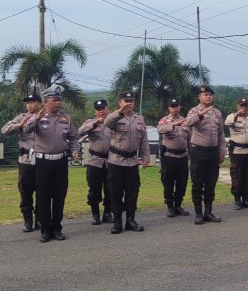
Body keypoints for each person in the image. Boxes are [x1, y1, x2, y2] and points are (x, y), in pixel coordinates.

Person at [20, 85, 79, 243]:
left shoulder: (66, 118)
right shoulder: (37, 116)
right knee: (43, 196)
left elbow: (73, 137)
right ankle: (45, 229)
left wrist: (74, 150)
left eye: (59, 100)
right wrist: (37, 118)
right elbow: (26, 130)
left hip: (61, 162)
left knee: (59, 195)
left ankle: (57, 228)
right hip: (43, 162)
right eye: (54, 100)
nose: (58, 103)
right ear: (46, 102)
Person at [104, 91, 150, 233]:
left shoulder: (139, 118)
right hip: (116, 161)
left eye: (131, 101)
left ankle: (130, 220)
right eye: (126, 101)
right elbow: (106, 122)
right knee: (116, 192)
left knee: (132, 192)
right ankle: (117, 221)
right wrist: (120, 111)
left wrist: (145, 157)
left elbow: (144, 139)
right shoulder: (115, 117)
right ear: (120, 102)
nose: (129, 103)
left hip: (132, 162)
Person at [0, 92, 43, 232]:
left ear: (40, 104)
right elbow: (4, 130)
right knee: (25, 191)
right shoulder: (22, 117)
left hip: (43, 160)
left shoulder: (46, 117)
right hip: (26, 160)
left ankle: (40, 219)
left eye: (33, 102)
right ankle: (27, 220)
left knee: (42, 191)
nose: (29, 105)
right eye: (27, 103)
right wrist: (20, 125)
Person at [185, 85, 226, 224]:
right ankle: (198, 213)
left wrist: (222, 152)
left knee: (211, 182)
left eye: (210, 95)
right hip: (198, 152)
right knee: (197, 182)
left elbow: (221, 134)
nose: (208, 97)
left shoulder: (217, 113)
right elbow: (187, 123)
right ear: (199, 97)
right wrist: (200, 114)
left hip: (213, 152)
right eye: (205, 95)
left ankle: (208, 212)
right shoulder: (194, 111)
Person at [77, 99, 113, 225]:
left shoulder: (113, 123)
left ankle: (107, 213)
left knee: (110, 188)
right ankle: (95, 214)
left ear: (108, 109)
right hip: (95, 161)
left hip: (110, 160)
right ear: (95, 111)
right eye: (98, 109)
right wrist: (94, 124)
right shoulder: (90, 122)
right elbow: (80, 132)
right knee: (94, 189)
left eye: (103, 108)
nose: (101, 111)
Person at [224, 97, 248, 210]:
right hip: (237, 152)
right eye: (241, 105)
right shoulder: (232, 116)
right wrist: (237, 115)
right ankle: (237, 200)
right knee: (237, 176)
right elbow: (227, 123)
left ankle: (246, 199)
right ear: (237, 106)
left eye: (245, 105)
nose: (244, 107)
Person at [156, 99, 190, 218]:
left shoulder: (185, 120)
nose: (175, 108)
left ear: (180, 107)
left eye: (176, 106)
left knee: (182, 182)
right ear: (169, 108)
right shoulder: (164, 120)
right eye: (172, 106)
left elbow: (189, 137)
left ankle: (178, 205)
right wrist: (173, 125)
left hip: (183, 156)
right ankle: (170, 206)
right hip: (169, 157)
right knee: (168, 182)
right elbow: (159, 129)